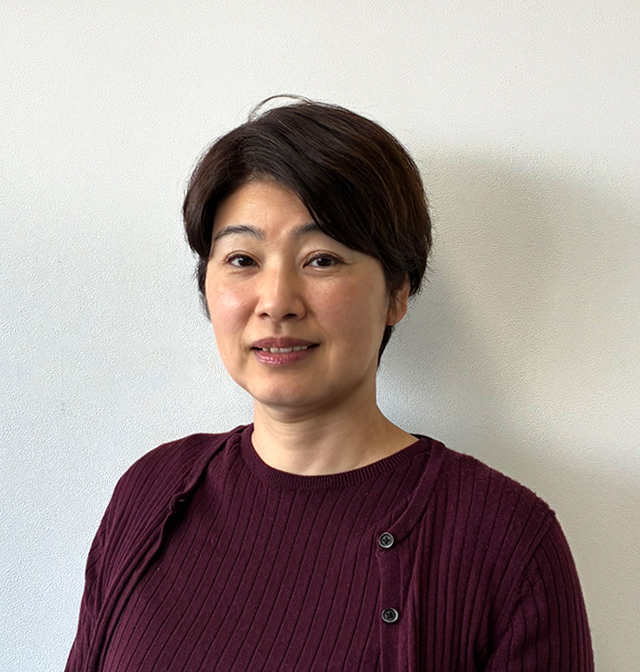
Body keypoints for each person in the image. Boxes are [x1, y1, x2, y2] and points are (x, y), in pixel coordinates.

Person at [65, 98, 593, 671]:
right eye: (242, 259)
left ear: (396, 293)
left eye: (321, 260)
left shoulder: (507, 541)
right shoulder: (151, 493)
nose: (276, 303)